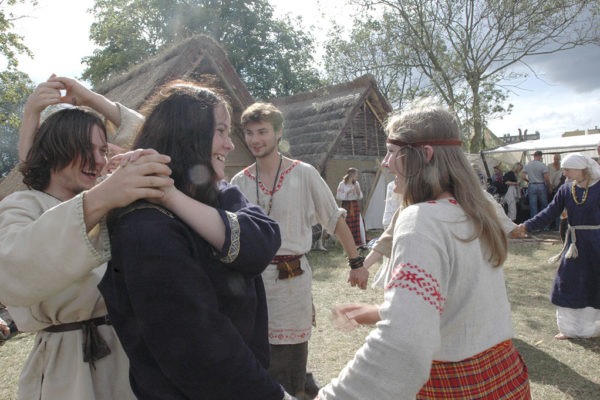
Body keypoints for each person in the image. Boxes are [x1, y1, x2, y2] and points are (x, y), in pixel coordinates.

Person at [98, 81, 298, 400]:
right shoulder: (146, 229)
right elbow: (200, 350)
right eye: (220, 131)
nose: (230, 144)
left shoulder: (214, 195)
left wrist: (172, 196)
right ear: (187, 134)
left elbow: (263, 240)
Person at [317, 103, 531, 399]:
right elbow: (460, 305)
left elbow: (403, 341)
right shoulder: (475, 210)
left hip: (456, 388)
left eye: (392, 151)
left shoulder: (421, 219)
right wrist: (379, 312)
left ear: (425, 155)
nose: (385, 163)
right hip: (506, 378)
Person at [0, 76, 173, 399]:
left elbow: (147, 133)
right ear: (55, 149)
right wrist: (101, 198)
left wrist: (90, 98)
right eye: (85, 149)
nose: (98, 161)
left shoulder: (107, 196)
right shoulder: (22, 205)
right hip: (67, 369)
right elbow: (10, 270)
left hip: (129, 357)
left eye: (102, 150)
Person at [230, 102, 368, 399]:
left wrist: (356, 261)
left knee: (290, 362)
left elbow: (335, 219)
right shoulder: (239, 182)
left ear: (279, 133)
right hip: (252, 283)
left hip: (292, 281)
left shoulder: (303, 174)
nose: (255, 139)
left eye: (263, 131)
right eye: (250, 133)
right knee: (254, 361)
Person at [518, 153, 600, 340]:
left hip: (596, 243)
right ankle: (569, 328)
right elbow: (550, 212)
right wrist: (526, 226)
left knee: (594, 282)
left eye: (568, 169)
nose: (564, 173)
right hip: (574, 245)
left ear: (582, 169)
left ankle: (592, 328)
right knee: (568, 283)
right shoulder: (565, 189)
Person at [336, 168, 366, 248]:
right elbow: (338, 196)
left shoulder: (356, 183)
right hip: (346, 205)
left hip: (354, 204)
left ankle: (358, 243)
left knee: (357, 223)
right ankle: (347, 243)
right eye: (356, 174)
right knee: (347, 223)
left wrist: (357, 192)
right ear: (351, 175)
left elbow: (360, 196)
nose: (357, 176)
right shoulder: (342, 184)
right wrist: (347, 192)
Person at [522, 150, 551, 226]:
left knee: (533, 206)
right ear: (540, 156)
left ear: (534, 156)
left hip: (532, 185)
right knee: (544, 205)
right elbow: (546, 178)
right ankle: (544, 225)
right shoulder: (542, 165)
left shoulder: (528, 165)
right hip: (541, 185)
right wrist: (549, 186)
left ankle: (534, 225)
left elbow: (523, 177)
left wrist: (529, 181)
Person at [547, 153, 565, 229]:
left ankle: (557, 226)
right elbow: (547, 177)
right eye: (555, 159)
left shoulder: (562, 166)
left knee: (559, 207)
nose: (556, 160)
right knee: (551, 207)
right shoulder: (549, 166)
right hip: (550, 188)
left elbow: (563, 178)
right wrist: (550, 187)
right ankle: (551, 225)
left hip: (559, 188)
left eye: (558, 159)